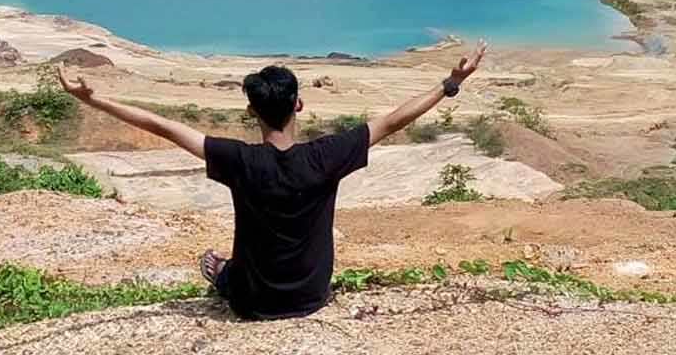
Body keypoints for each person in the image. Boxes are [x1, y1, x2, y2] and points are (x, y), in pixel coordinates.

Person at [58, 40, 486, 320]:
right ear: (299, 104)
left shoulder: (238, 159)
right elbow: (394, 120)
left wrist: (93, 99)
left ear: (251, 111)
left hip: (252, 302)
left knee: (224, 269)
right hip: (310, 296)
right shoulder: (326, 156)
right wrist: (452, 82)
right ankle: (232, 271)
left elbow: (163, 127)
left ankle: (224, 273)